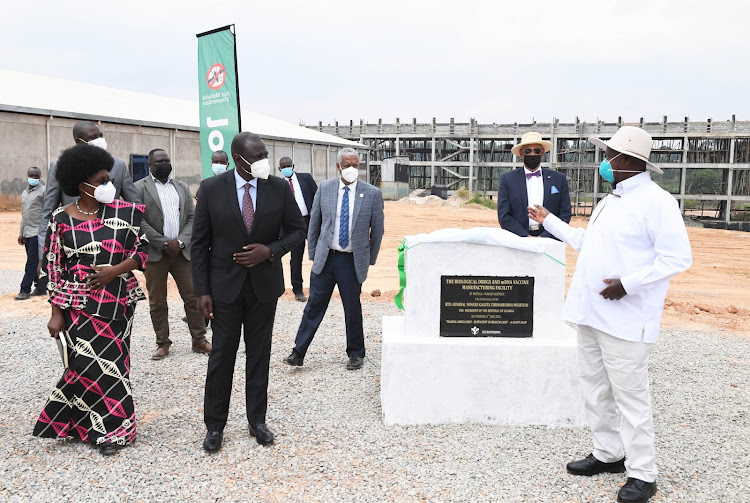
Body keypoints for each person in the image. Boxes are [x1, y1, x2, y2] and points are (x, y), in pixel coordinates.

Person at [527, 126, 692, 503]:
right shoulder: (611, 200)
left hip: (626, 318)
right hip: (591, 313)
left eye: (610, 155)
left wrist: (628, 283)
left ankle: (643, 473)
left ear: (630, 161)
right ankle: (608, 453)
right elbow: (588, 243)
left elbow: (677, 258)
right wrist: (549, 220)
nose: (605, 162)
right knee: (595, 388)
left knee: (631, 397)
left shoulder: (657, 202)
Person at [192, 132, 305, 452]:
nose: (263, 162)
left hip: (263, 288)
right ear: (239, 159)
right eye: (257, 157)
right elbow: (200, 244)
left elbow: (298, 231)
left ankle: (257, 420)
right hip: (224, 289)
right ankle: (215, 426)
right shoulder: (212, 189)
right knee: (221, 358)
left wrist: (269, 251)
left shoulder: (279, 188)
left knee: (259, 356)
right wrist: (202, 291)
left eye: (265, 155)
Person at [32, 144, 149, 456]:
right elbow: (54, 268)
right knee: (83, 366)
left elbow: (144, 251)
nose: (107, 186)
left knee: (112, 366)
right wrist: (56, 313)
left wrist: (115, 272)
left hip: (118, 302)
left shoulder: (127, 212)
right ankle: (83, 425)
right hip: (77, 305)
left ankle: (116, 432)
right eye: (100, 181)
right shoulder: (61, 219)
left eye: (108, 179)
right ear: (80, 184)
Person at [283, 147, 384, 371]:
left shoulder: (372, 194)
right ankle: (298, 352)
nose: (352, 169)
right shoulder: (325, 189)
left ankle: (356, 353)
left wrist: (369, 260)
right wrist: (313, 254)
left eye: (355, 165)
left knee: (352, 307)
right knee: (314, 306)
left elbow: (377, 231)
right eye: (347, 165)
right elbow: (314, 224)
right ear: (338, 167)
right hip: (326, 259)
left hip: (351, 261)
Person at [36, 120, 141, 293]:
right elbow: (47, 213)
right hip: (75, 249)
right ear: (79, 141)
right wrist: (43, 255)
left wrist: (136, 247)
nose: (99, 140)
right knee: (75, 300)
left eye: (101, 136)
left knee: (113, 298)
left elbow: (135, 208)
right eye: (93, 137)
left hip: (112, 248)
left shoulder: (118, 166)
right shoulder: (60, 167)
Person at [134, 149, 211, 360]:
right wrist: (162, 242)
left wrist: (180, 242)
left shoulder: (182, 187)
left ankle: (199, 340)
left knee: (193, 297)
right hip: (155, 253)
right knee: (158, 301)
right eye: (160, 161)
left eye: (167, 160)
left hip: (182, 253)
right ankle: (162, 343)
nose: (165, 164)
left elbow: (193, 218)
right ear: (150, 164)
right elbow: (138, 220)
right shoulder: (139, 188)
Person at [498, 131, 571, 238]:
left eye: (536, 151)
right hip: (518, 241)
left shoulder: (558, 179)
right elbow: (504, 216)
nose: (532, 154)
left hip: (550, 241)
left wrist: (545, 237)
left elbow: (565, 213)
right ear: (521, 154)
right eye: (528, 151)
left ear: (542, 153)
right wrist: (525, 236)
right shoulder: (508, 179)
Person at [277, 156, 318, 302]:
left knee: (318, 255)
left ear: (293, 166)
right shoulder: (279, 185)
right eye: (283, 167)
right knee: (296, 258)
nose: (286, 168)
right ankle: (298, 290)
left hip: (310, 221)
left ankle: (318, 287)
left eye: (288, 165)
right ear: (279, 169)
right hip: (293, 226)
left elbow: (317, 196)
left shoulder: (305, 178)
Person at [15, 167, 46, 300]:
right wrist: (21, 233)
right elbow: (24, 214)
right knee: (31, 260)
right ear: (27, 176)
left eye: (36, 176)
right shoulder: (25, 193)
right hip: (27, 232)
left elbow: (48, 211)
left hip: (37, 233)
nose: (33, 178)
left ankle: (25, 289)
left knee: (32, 262)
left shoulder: (43, 191)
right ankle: (40, 287)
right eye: (31, 175)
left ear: (39, 177)